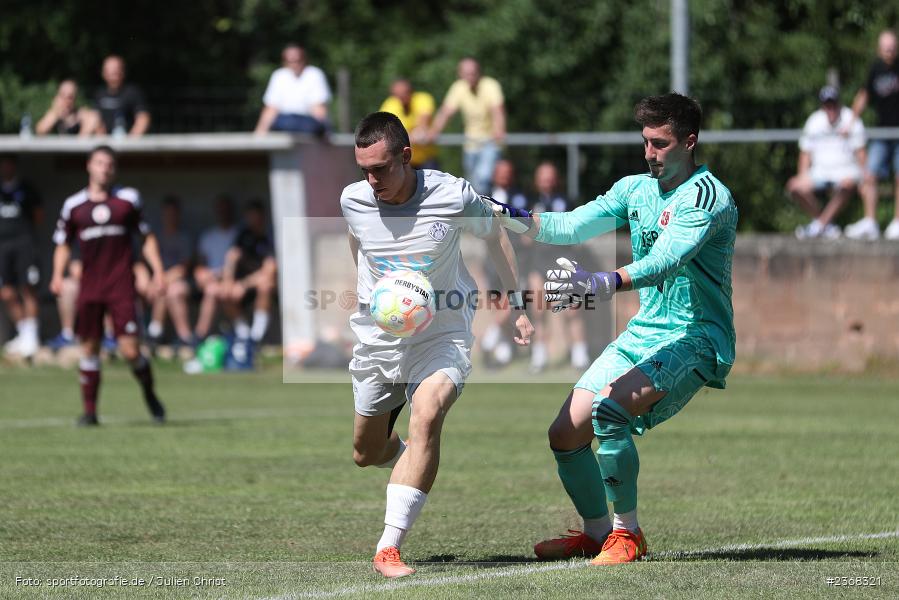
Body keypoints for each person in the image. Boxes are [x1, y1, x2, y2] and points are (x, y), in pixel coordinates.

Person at [491, 93, 737, 564]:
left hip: (697, 335)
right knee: (564, 432)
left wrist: (606, 280)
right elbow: (570, 226)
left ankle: (629, 535)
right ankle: (596, 532)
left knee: (610, 412)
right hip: (647, 331)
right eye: (645, 141)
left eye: (660, 144)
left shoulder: (707, 197)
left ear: (689, 142)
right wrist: (512, 217)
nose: (649, 153)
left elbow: (667, 261)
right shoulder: (635, 188)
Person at [342, 112, 533, 578]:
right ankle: (409, 452)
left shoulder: (453, 194)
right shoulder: (353, 200)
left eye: (381, 169)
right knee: (366, 452)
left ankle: (388, 547)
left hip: (442, 333)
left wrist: (518, 304)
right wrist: (372, 296)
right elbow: (358, 245)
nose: (372, 181)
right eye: (364, 170)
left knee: (428, 412)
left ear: (406, 157)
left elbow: (496, 237)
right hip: (379, 341)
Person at [50, 146, 166, 426]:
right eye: (100, 163)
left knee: (130, 351)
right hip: (90, 287)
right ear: (89, 166)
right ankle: (90, 412)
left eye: (110, 164)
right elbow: (62, 245)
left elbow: (147, 238)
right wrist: (57, 275)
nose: (105, 168)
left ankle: (149, 393)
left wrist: (158, 271)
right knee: (89, 348)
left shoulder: (128, 200)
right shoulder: (74, 205)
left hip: (121, 285)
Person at [526, 161, 589, 372]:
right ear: (537, 180)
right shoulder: (531, 202)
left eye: (550, 176)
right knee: (538, 309)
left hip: (563, 262)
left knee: (572, 309)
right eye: (543, 176)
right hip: (539, 263)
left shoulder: (567, 201)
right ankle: (539, 355)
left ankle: (579, 353)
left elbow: (577, 231)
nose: (547, 181)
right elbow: (525, 236)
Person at [787, 86, 867, 240]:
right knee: (794, 186)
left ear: (839, 104)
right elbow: (805, 153)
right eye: (827, 105)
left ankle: (818, 226)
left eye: (833, 105)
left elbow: (861, 152)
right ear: (822, 106)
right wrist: (802, 175)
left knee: (848, 184)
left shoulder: (851, 119)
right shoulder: (814, 120)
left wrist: (864, 174)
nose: (830, 109)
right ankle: (825, 225)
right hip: (820, 172)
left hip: (846, 171)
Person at [845, 30, 899, 240]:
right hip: (881, 132)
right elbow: (864, 95)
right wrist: (850, 120)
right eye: (886, 48)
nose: (889, 51)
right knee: (870, 175)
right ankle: (870, 221)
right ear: (879, 49)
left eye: (892, 47)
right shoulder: (875, 69)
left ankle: (897, 222)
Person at [427, 57, 506, 194]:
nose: (471, 76)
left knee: (484, 178)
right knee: (473, 184)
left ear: (479, 72)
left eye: (473, 72)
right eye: (467, 73)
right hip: (470, 144)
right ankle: (481, 212)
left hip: (490, 142)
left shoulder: (490, 85)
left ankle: (490, 211)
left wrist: (499, 130)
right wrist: (434, 131)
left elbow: (497, 111)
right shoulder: (458, 88)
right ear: (460, 74)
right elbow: (446, 112)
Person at [479, 159, 527, 368]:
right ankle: (504, 349)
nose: (505, 176)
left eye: (508, 172)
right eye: (501, 172)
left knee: (511, 300)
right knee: (498, 304)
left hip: (517, 258)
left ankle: (490, 338)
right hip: (492, 260)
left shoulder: (522, 197)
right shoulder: (483, 196)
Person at [0, 155, 43, 358]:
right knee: (6, 292)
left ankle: (32, 337)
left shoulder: (26, 188)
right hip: (2, 247)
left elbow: (39, 216)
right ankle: (23, 333)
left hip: (24, 244)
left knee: (27, 287)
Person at [219, 200, 276, 343]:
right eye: (249, 216)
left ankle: (257, 337)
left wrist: (243, 285)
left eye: (255, 216)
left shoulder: (270, 236)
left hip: (262, 284)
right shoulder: (243, 235)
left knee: (265, 285)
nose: (252, 220)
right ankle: (244, 335)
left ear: (262, 217)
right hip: (243, 284)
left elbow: (269, 269)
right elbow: (232, 256)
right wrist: (228, 281)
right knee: (223, 291)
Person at [146, 196, 194, 348]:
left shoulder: (184, 238)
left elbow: (183, 268)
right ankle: (154, 333)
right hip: (155, 282)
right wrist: (149, 281)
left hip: (175, 281)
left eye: (173, 213)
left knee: (171, 290)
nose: (170, 217)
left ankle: (184, 336)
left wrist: (161, 280)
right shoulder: (155, 237)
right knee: (163, 288)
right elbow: (142, 262)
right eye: (167, 213)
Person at [254, 44, 331, 135]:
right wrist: (259, 133)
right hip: (284, 121)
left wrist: (325, 132)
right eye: (290, 61)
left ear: (304, 59)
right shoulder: (279, 76)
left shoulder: (314, 74)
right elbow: (271, 108)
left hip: (308, 121)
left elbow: (319, 109)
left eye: (297, 60)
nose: (294, 64)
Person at [194, 195, 238, 340]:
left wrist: (223, 276)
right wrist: (202, 275)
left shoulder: (238, 234)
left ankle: (200, 336)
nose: (223, 213)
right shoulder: (208, 236)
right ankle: (200, 337)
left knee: (215, 291)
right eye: (220, 210)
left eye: (226, 210)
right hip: (211, 280)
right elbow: (200, 265)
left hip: (233, 280)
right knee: (211, 288)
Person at [379, 79, 439, 169]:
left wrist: (420, 132)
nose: (402, 97)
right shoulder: (390, 104)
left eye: (404, 93)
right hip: (402, 160)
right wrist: (412, 137)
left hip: (427, 158)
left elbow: (424, 119)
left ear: (411, 91)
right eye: (397, 95)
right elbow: (387, 129)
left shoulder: (422, 99)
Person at [94, 55, 151, 137]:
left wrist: (130, 142)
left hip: (127, 143)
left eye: (116, 71)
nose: (113, 75)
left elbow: (143, 119)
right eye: (110, 71)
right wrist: (103, 142)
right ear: (104, 73)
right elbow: (95, 119)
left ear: (123, 72)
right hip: (105, 143)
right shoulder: (99, 94)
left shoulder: (132, 92)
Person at [35, 80, 101, 137]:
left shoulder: (84, 115)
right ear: (57, 97)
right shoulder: (54, 114)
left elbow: (100, 134)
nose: (66, 101)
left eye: (70, 97)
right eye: (63, 96)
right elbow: (40, 131)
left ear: (75, 98)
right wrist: (56, 113)